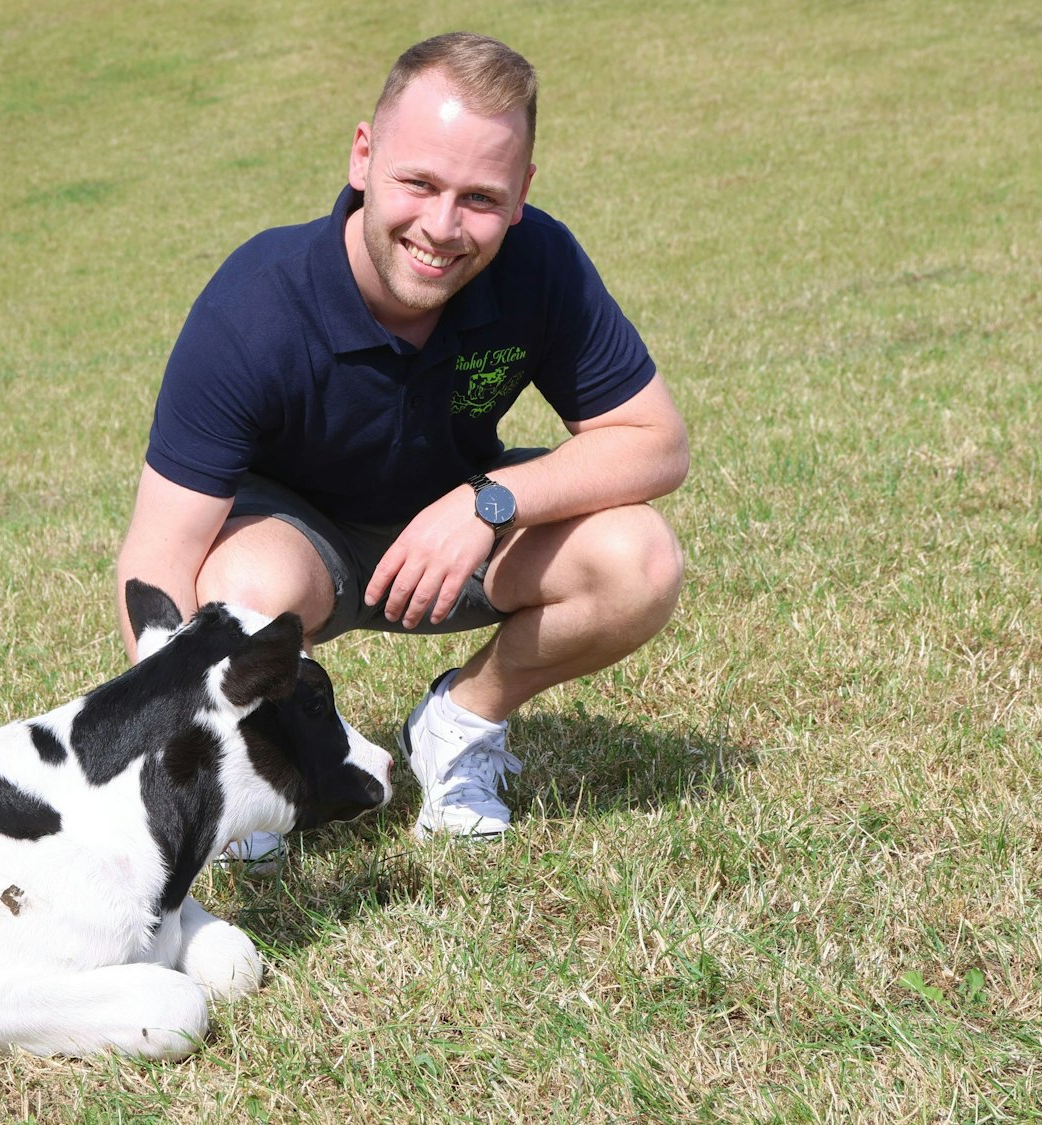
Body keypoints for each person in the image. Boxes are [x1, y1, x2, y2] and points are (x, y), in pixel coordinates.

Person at [114, 33, 688, 860]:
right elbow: (158, 553)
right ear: (362, 155)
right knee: (241, 590)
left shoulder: (540, 262)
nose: (443, 227)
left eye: (481, 198)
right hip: (301, 551)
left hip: (462, 535)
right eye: (417, 182)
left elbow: (657, 441)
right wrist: (177, 751)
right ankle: (259, 770)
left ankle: (460, 723)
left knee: (641, 558)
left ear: (522, 193)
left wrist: (487, 503)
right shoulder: (253, 306)